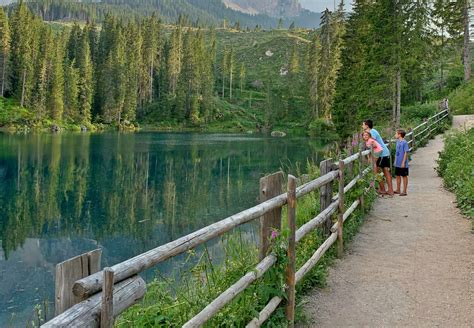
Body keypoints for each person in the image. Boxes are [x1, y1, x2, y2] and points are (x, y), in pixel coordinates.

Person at [362, 119, 394, 196]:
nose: (362, 126)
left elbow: (373, 144)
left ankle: (389, 190)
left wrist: (369, 155)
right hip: (379, 154)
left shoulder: (372, 132)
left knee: (385, 171)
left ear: (367, 125)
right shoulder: (371, 132)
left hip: (383, 154)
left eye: (363, 124)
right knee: (377, 171)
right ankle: (383, 189)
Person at [394, 129, 409, 196]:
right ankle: (398, 189)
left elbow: (406, 152)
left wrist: (403, 162)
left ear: (399, 135)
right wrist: (395, 160)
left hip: (403, 162)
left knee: (404, 176)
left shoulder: (404, 142)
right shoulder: (397, 141)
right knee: (397, 175)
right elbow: (396, 152)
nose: (395, 135)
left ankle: (404, 191)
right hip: (397, 162)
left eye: (396, 134)